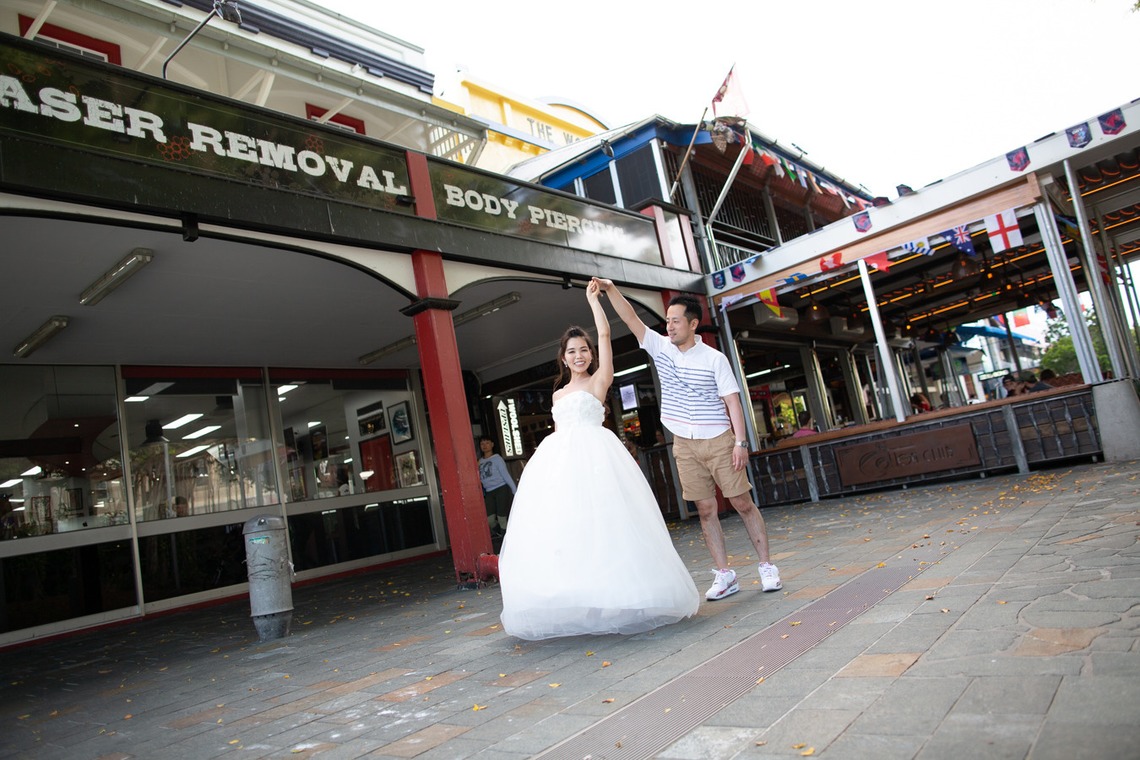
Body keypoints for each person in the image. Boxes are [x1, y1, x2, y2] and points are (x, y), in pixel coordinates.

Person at [499, 281, 700, 640]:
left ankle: (619, 594)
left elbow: (605, 333)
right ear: (564, 357)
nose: (579, 356)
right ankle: (577, 595)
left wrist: (594, 301)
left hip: (598, 463)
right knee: (568, 528)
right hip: (560, 468)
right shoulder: (558, 393)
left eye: (584, 350)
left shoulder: (599, 382)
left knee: (608, 526)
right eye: (573, 351)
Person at [592, 277, 781, 600]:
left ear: (693, 324)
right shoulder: (660, 348)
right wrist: (610, 291)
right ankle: (725, 575)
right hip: (684, 444)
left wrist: (740, 442)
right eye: (667, 321)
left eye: (675, 321)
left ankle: (766, 566)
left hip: (720, 440)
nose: (669, 327)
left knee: (741, 503)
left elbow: (732, 401)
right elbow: (630, 319)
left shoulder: (714, 359)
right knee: (705, 510)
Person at [477, 436, 515, 537]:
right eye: (482, 444)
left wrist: (515, 490)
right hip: (489, 492)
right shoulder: (479, 462)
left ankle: (506, 541)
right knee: (490, 520)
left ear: (492, 445)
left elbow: (505, 475)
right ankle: (505, 534)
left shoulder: (497, 459)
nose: (485, 446)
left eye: (487, 443)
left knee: (502, 518)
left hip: (501, 488)